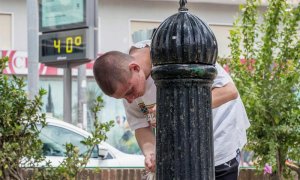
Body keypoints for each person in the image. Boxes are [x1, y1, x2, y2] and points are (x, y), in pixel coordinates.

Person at [93, 41, 250, 180]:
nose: (130, 99)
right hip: (182, 155)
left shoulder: (176, 51)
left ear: (134, 68)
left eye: (129, 92)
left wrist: (174, 108)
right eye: (123, 98)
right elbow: (140, 126)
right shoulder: (128, 83)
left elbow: (229, 91)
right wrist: (150, 153)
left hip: (220, 141)